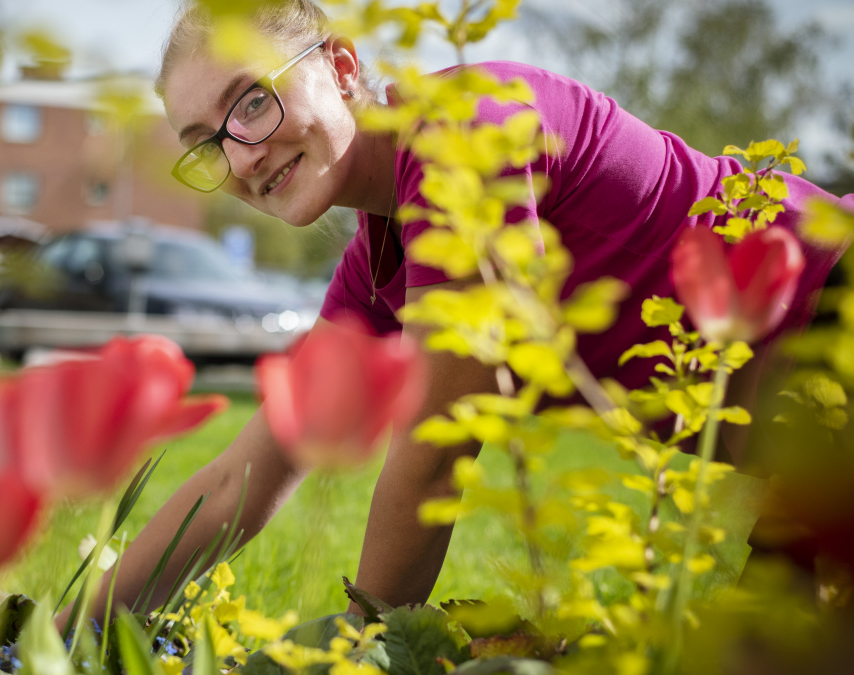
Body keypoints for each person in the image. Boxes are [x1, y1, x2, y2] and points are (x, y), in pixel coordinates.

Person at [60, 0, 853, 625]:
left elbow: (438, 452)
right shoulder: (378, 273)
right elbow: (240, 478)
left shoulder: (463, 139)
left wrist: (367, 648)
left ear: (340, 67)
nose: (241, 156)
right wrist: (60, 633)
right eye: (205, 143)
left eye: (252, 104)